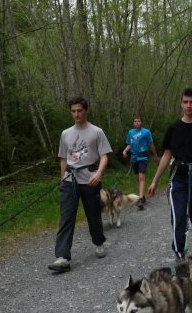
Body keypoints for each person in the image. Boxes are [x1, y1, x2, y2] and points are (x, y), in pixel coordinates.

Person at [147, 88, 192, 264]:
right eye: (185, 102)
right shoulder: (173, 129)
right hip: (178, 177)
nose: (189, 105)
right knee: (178, 217)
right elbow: (166, 156)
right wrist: (155, 181)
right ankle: (179, 256)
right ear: (181, 103)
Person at [48, 97, 113, 273]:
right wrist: (62, 178)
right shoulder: (65, 134)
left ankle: (99, 242)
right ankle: (62, 256)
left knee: (93, 214)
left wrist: (98, 174)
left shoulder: (96, 132)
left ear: (86, 110)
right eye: (73, 111)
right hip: (70, 180)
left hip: (90, 178)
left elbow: (105, 155)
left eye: (80, 110)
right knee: (66, 217)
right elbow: (63, 157)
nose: (77, 114)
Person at [122, 116, 159, 210]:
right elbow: (129, 144)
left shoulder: (146, 132)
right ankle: (142, 195)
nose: (137, 123)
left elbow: (151, 144)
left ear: (141, 122)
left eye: (138, 121)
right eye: (135, 121)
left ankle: (141, 198)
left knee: (141, 176)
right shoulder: (131, 132)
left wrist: (155, 155)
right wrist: (125, 151)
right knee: (137, 178)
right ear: (133, 123)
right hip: (134, 157)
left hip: (143, 156)